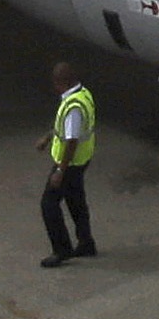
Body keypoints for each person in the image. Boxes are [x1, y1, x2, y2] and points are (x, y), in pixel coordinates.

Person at [38, 69, 99, 266]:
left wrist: (59, 171)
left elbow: (71, 140)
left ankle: (61, 250)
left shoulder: (73, 106)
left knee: (49, 204)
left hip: (69, 163)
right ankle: (86, 242)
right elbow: (64, 127)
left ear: (61, 82)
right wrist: (48, 137)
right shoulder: (82, 94)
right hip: (81, 160)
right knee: (76, 200)